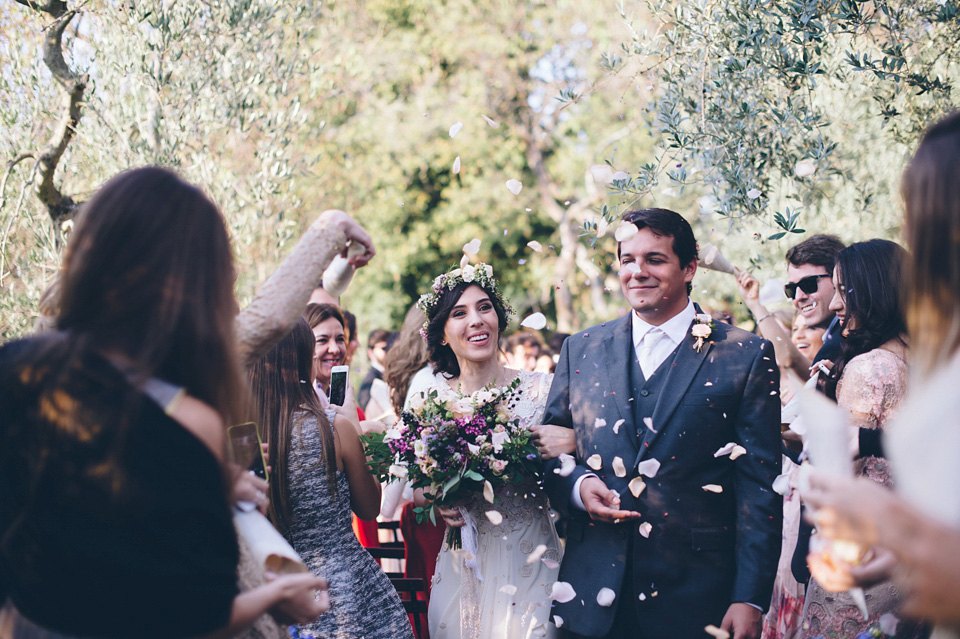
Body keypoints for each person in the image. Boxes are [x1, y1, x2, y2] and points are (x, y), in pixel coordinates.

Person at [0, 167, 329, 638]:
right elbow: (193, 618)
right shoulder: (188, 422)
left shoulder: (16, 368)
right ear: (196, 285)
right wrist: (275, 598)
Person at [542, 208, 783, 639]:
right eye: (627, 260)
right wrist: (578, 487)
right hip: (591, 592)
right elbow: (547, 452)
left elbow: (759, 487)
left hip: (697, 597)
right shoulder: (581, 349)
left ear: (690, 267)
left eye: (654, 259)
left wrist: (749, 597)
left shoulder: (745, 355)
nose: (638, 272)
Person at [802, 112, 960, 635]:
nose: (908, 229)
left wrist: (889, 523)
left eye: (917, 208)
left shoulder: (874, 366)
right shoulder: (931, 355)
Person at [408, 262, 570, 639]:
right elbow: (416, 491)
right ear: (443, 335)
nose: (476, 321)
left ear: (499, 318)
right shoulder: (428, 400)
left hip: (532, 556)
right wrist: (437, 497)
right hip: (463, 560)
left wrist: (573, 441)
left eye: (484, 308)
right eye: (459, 313)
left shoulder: (542, 391)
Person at [249, 319, 413, 639]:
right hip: (349, 588)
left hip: (282, 593)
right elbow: (369, 508)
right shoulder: (335, 428)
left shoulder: (248, 440)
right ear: (304, 359)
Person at [797, 240, 923, 639]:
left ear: (873, 292)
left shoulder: (868, 368)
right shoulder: (923, 363)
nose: (835, 305)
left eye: (843, 291)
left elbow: (839, 476)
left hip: (860, 558)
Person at [737, 234, 845, 383]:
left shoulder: (855, 337)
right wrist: (754, 303)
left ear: (838, 277)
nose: (798, 297)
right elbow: (807, 374)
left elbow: (791, 360)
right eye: (792, 289)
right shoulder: (834, 338)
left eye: (809, 284)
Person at [358, 327, 391, 416]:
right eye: (384, 348)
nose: (389, 350)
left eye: (391, 346)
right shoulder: (369, 383)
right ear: (370, 352)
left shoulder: (392, 375)